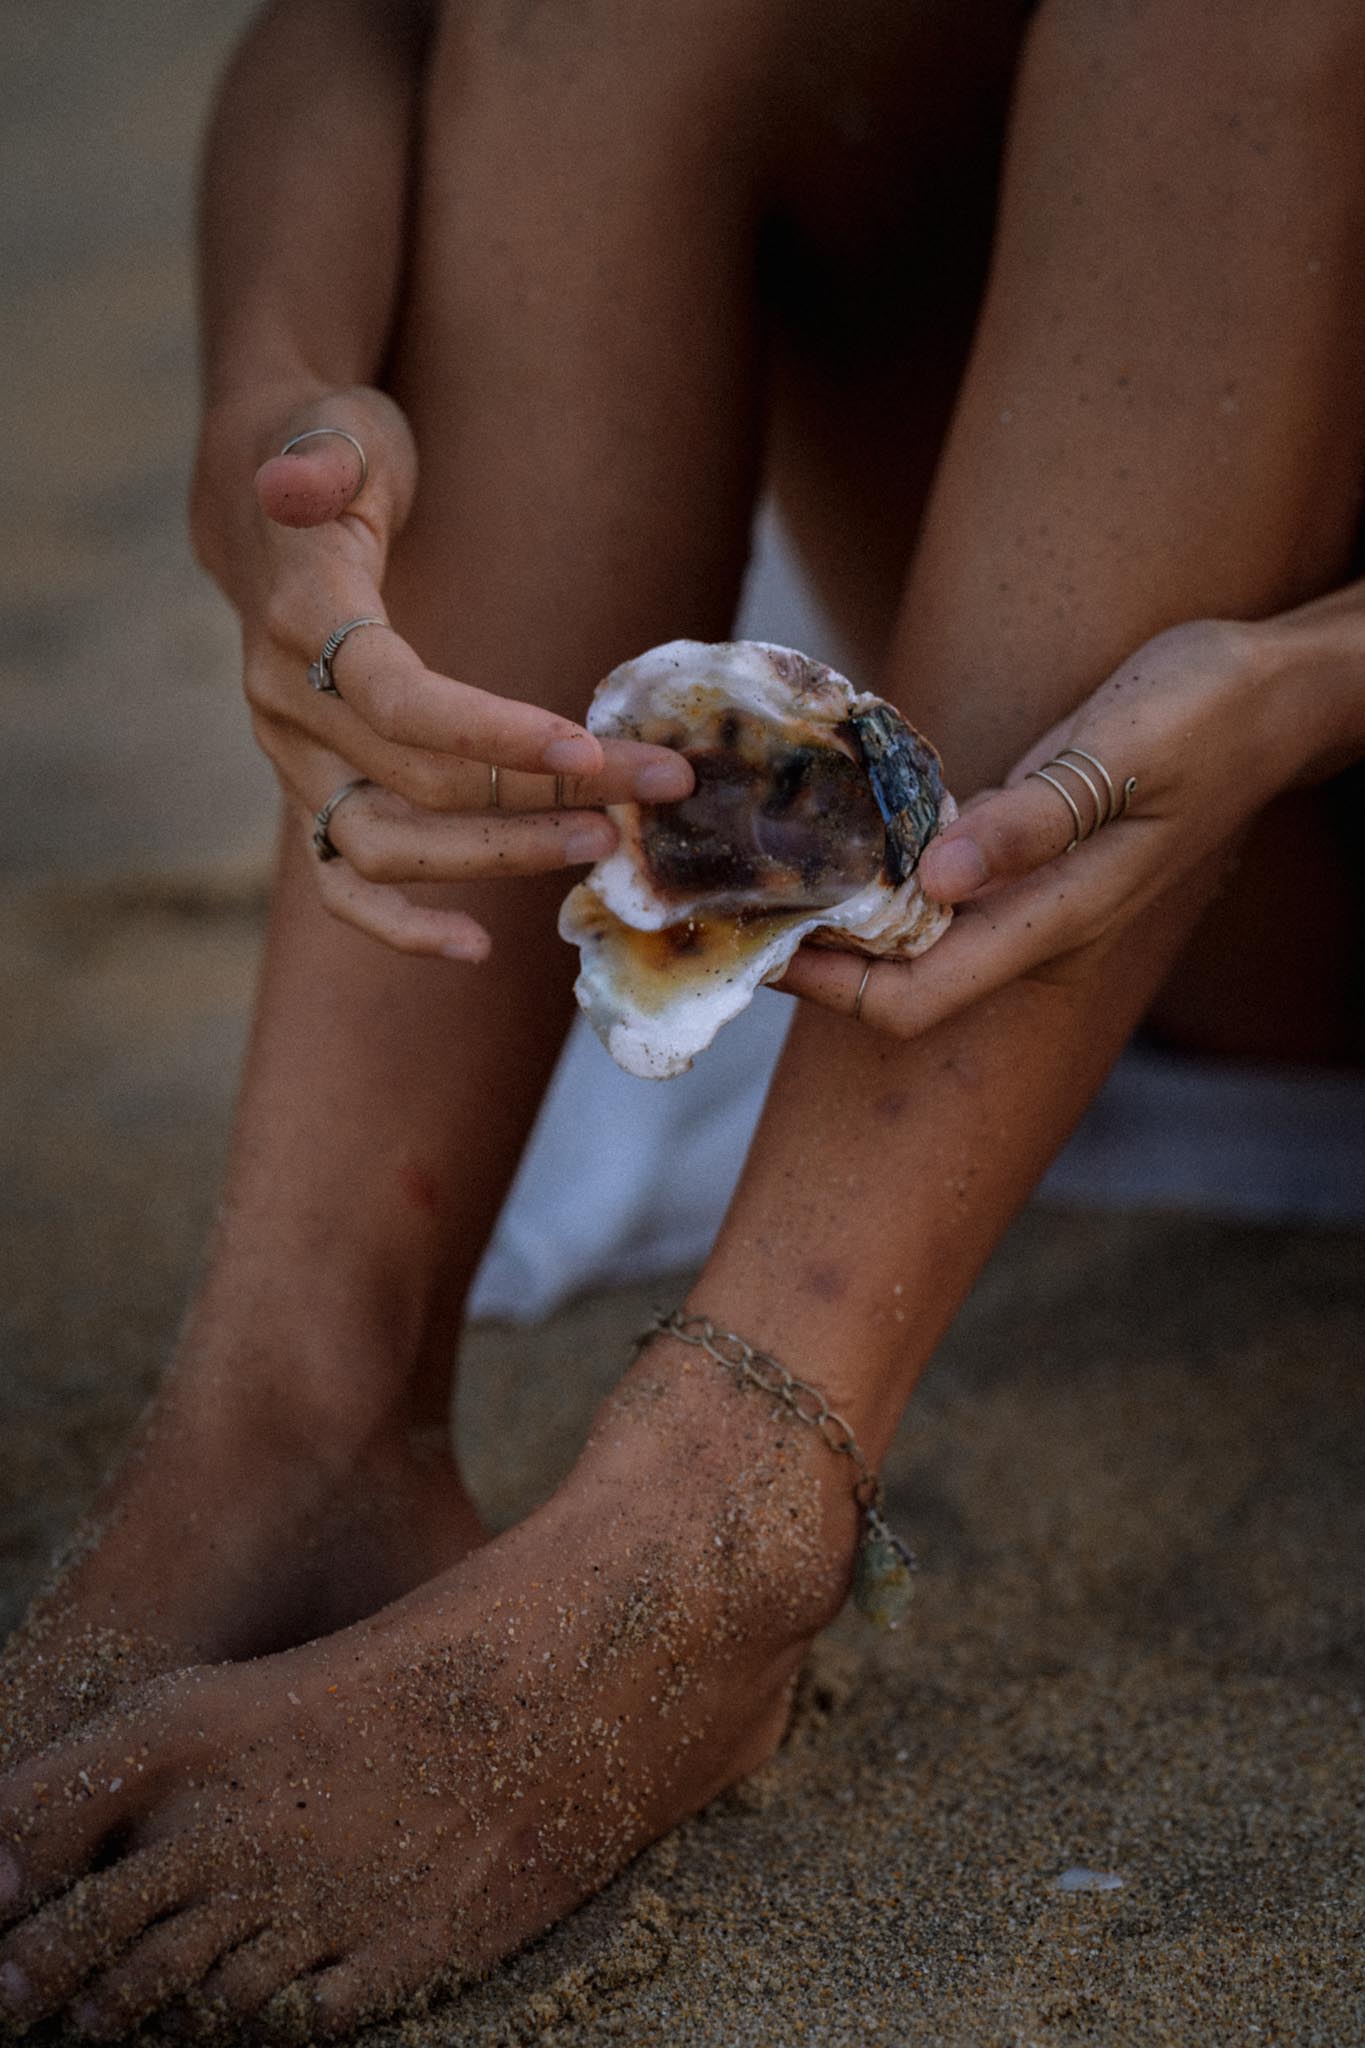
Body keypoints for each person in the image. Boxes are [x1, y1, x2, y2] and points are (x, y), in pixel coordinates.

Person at [2, 0, 1363, 2035]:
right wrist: (267, 411)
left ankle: (727, 1493)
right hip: (1068, 747)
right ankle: (299, 1398)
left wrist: (1300, 687)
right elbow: (362, 28)